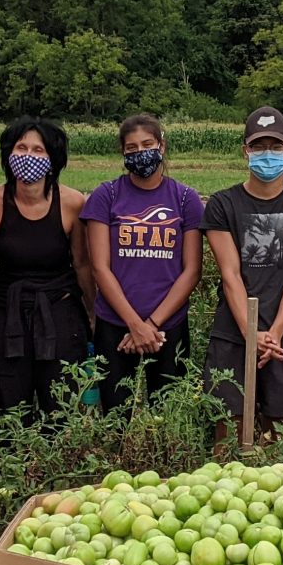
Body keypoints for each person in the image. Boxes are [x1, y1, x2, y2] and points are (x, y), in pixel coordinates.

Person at [203, 106, 283, 443]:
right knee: (228, 431)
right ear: (246, 151)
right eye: (259, 147)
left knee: (281, 434)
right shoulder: (222, 204)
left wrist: (273, 334)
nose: (267, 154)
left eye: (275, 147)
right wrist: (251, 333)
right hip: (233, 334)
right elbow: (230, 275)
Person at [81, 112, 205, 410]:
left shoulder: (186, 199)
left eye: (147, 144)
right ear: (122, 153)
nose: (140, 153)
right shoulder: (106, 196)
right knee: (114, 414)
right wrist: (134, 324)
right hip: (115, 322)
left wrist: (150, 324)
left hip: (168, 324)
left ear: (161, 146)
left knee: (169, 413)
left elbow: (192, 270)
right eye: (131, 148)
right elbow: (100, 267)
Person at [0, 116, 92, 415]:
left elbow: (81, 264)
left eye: (38, 150)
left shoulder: (72, 203)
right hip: (7, 312)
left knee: (62, 402)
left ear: (53, 159)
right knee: (9, 404)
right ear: (7, 155)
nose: (28, 156)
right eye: (21, 147)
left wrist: (92, 315)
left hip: (60, 310)